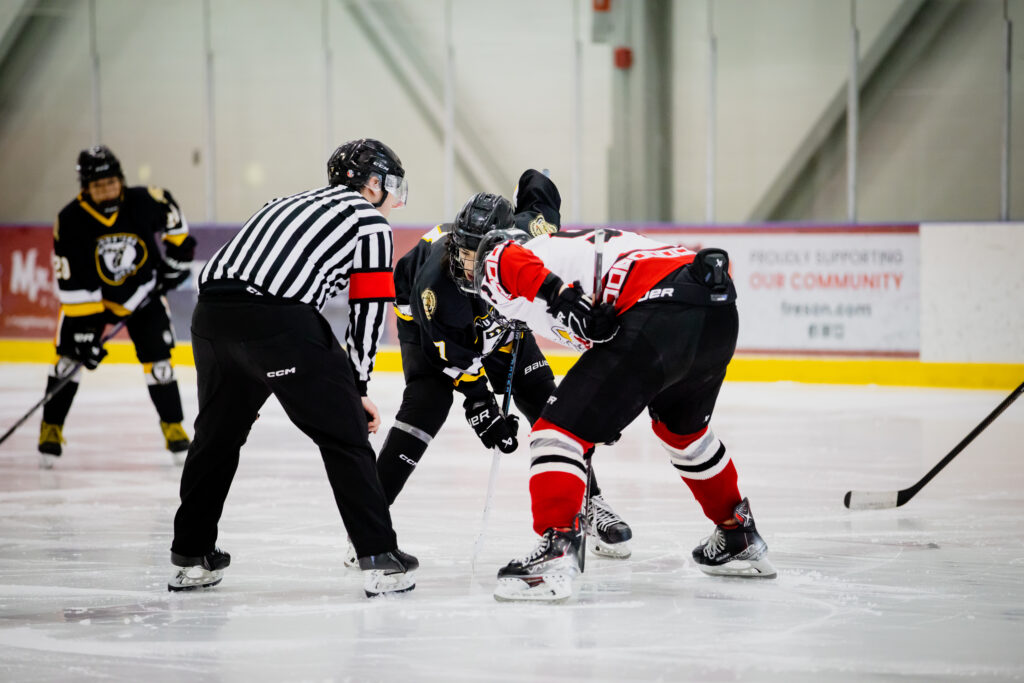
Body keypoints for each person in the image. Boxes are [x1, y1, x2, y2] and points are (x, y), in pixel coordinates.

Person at [470, 223, 776, 601]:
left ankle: (556, 551)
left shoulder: (514, 258)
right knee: (683, 433)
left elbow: (505, 259)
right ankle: (736, 533)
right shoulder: (574, 253)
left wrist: (563, 299)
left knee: (556, 432)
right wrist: (609, 406)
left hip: (662, 309)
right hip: (717, 309)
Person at [168, 138, 417, 598]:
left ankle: (191, 555)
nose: (393, 199)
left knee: (216, 437)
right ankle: (379, 556)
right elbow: (367, 312)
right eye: (391, 186)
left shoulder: (281, 202)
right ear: (374, 183)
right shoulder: (370, 222)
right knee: (345, 435)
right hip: (278, 323)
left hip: (210, 319)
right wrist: (357, 387)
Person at [370, 171, 633, 562]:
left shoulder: (531, 236)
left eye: (478, 256)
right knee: (426, 406)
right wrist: (481, 405)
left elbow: (538, 185)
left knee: (548, 403)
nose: (468, 267)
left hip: (498, 314)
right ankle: (368, 529)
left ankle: (589, 501)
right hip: (427, 324)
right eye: (462, 252)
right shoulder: (438, 289)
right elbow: (455, 357)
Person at [39, 145, 196, 468]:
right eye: (98, 185)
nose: (107, 190)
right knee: (67, 363)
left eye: (112, 182)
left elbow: (174, 222)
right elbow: (70, 278)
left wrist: (177, 261)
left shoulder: (145, 200)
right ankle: (51, 429)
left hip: (144, 294)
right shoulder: (70, 219)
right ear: (86, 188)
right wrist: (85, 334)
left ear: (121, 179)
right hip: (91, 300)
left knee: (160, 365)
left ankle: (174, 428)